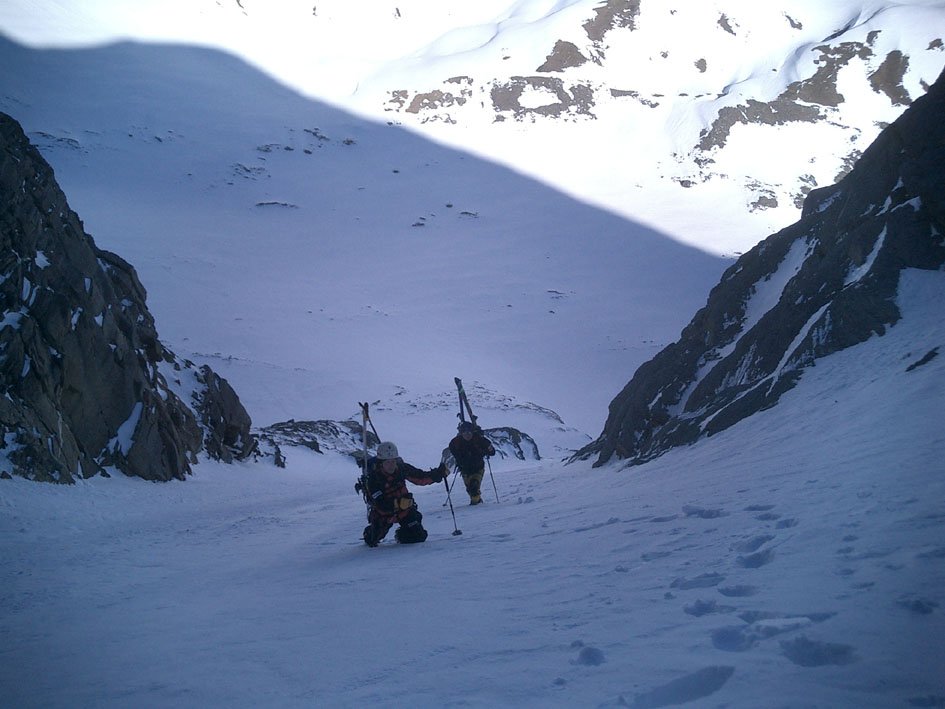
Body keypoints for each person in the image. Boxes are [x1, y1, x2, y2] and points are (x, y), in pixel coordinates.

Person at [358, 441, 448, 547]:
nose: (391, 465)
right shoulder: (373, 479)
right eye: (387, 462)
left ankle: (402, 535)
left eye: (393, 461)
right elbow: (380, 504)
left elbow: (420, 477)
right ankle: (370, 532)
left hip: (405, 511)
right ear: (381, 463)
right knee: (372, 540)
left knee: (418, 536)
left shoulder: (401, 468)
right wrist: (399, 504)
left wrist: (437, 474)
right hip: (384, 515)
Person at [448, 421, 495, 505]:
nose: (467, 435)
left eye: (469, 432)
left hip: (478, 468)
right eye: (465, 432)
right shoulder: (456, 442)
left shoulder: (479, 439)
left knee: (474, 486)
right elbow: (453, 449)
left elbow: (492, 452)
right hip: (465, 470)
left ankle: (476, 505)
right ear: (461, 433)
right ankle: (477, 502)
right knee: (470, 488)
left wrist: (487, 449)